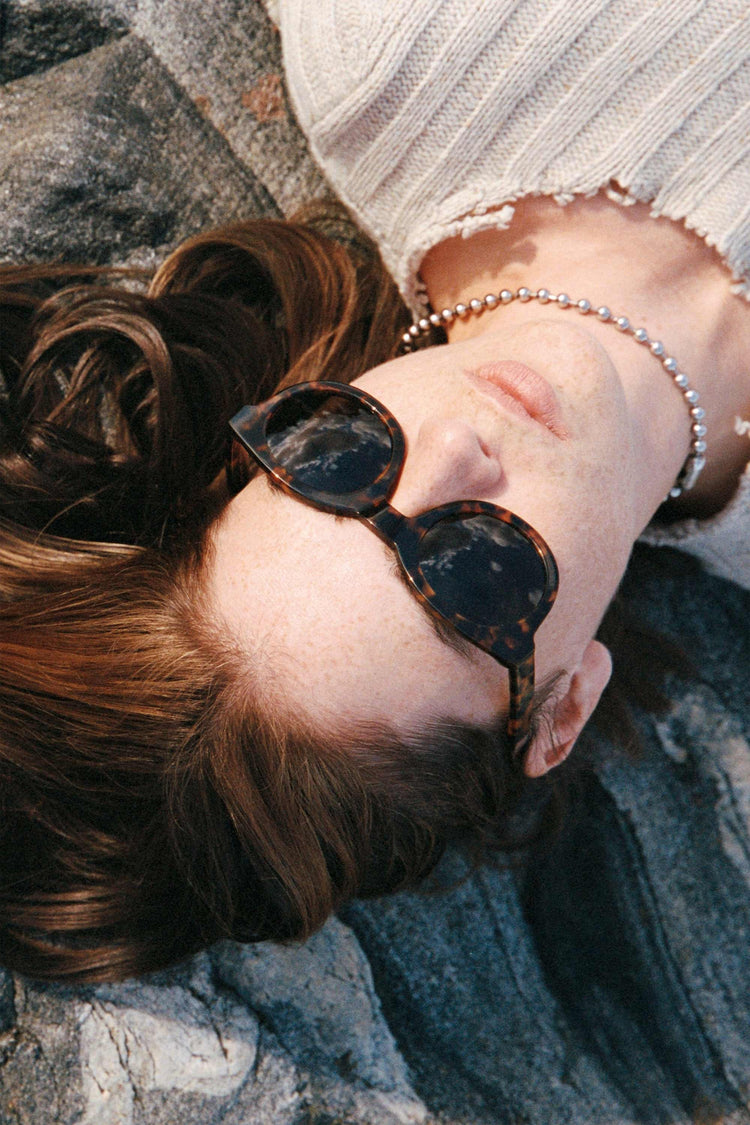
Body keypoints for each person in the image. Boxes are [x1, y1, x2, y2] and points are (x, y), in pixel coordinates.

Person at [0, 0, 748, 982]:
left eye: (334, 465)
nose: (453, 448)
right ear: (564, 707)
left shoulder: (398, 52)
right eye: (474, 575)